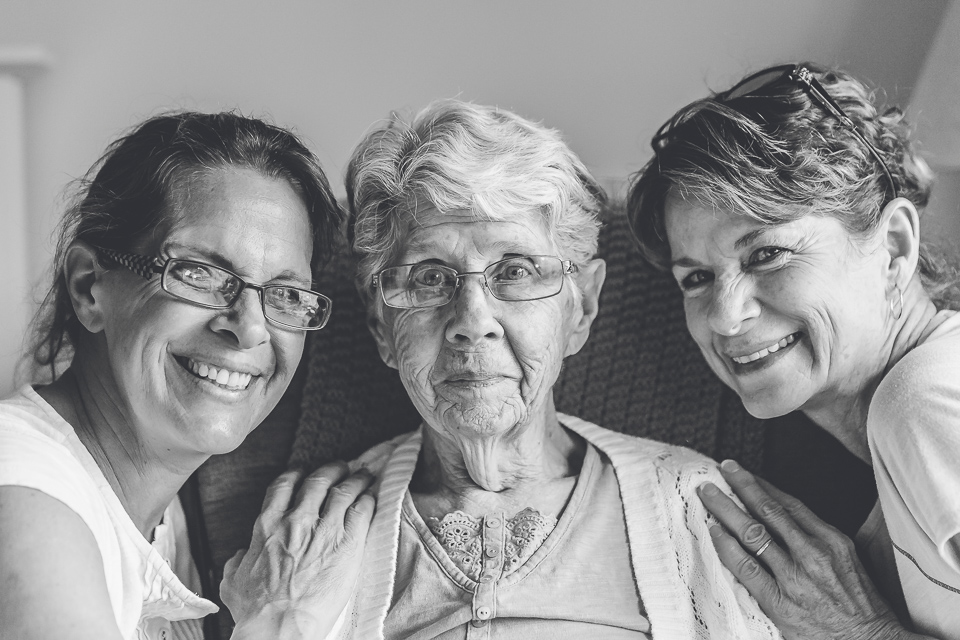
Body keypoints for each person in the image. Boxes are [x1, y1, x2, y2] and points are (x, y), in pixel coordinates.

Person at [315, 98, 783, 639]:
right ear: (380, 324)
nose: (472, 321)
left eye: (514, 271)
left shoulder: (692, 505)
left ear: (580, 308)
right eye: (428, 278)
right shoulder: (315, 532)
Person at [0, 112, 377, 640]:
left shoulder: (172, 520)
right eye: (200, 273)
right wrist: (280, 620)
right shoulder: (21, 489)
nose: (249, 329)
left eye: (287, 295)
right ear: (90, 288)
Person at [628, 62, 960, 640]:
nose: (727, 318)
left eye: (767, 255)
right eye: (697, 279)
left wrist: (862, 631)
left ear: (895, 247)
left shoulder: (923, 403)